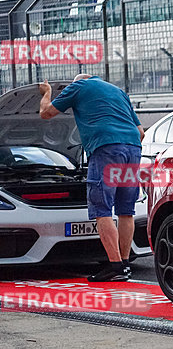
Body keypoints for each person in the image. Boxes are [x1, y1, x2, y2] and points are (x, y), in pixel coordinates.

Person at [39, 74, 145, 282]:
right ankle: (124, 265)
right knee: (126, 210)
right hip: (133, 149)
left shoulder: (78, 87)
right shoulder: (118, 92)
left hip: (106, 149)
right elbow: (140, 132)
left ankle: (114, 266)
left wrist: (47, 92)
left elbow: (46, 113)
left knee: (102, 208)